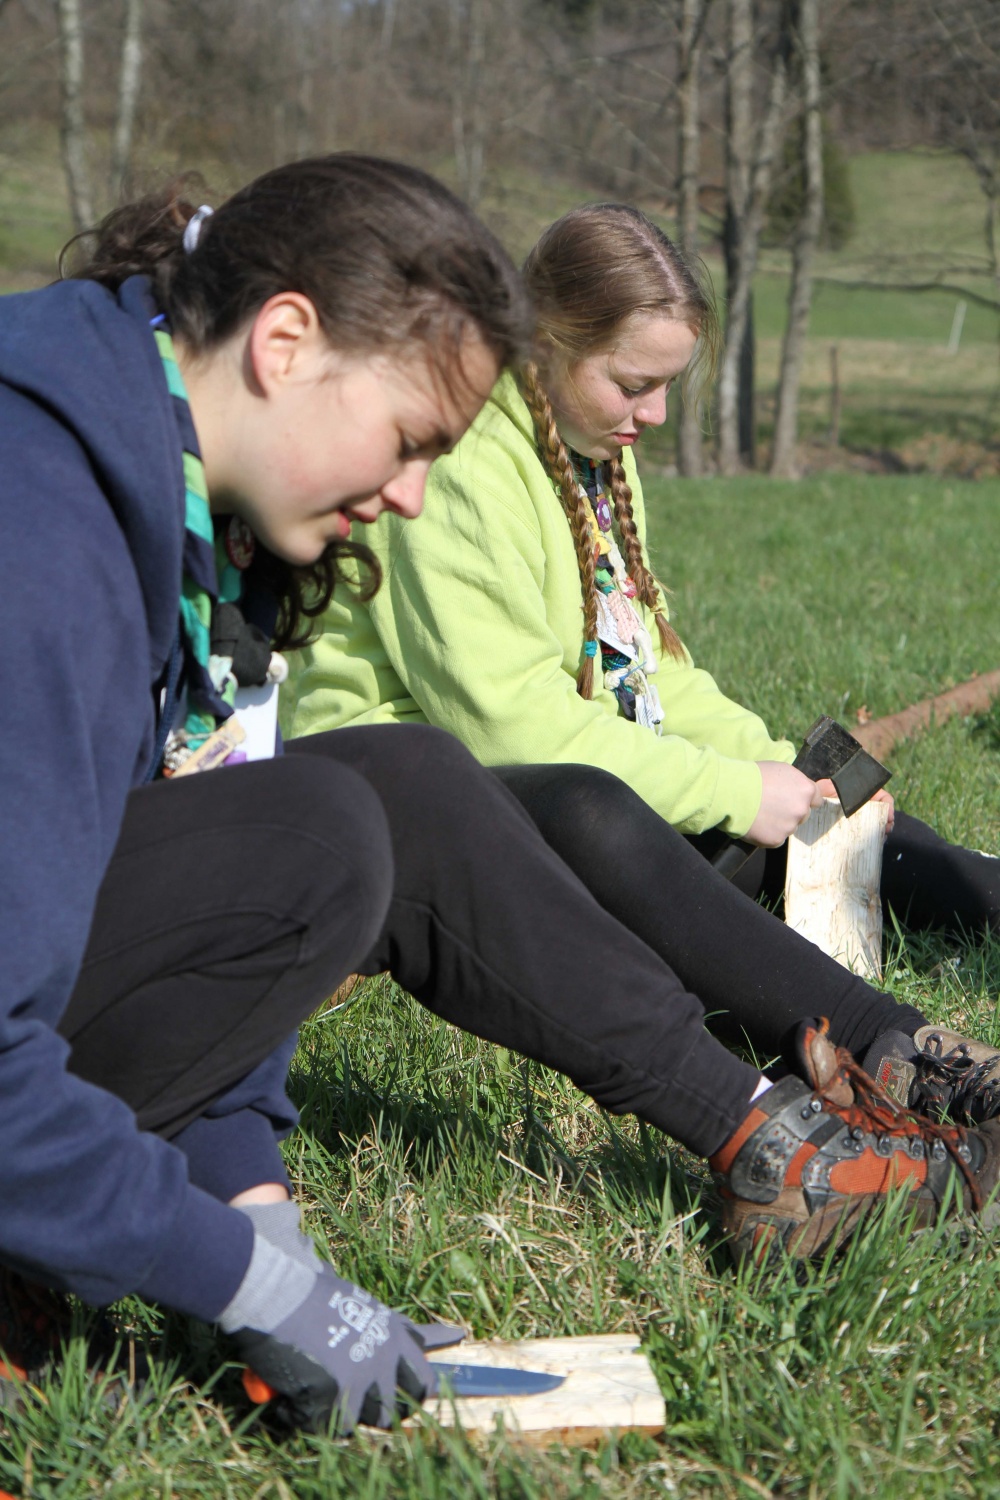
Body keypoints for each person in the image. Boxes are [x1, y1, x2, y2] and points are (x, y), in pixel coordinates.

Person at [3, 166, 998, 1443]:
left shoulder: (204, 511)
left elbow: (212, 919)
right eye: (409, 441)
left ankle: (773, 1148)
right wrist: (245, 1282)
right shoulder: (37, 531)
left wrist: (261, 1220)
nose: (411, 499)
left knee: (397, 788)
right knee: (344, 823)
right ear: (284, 342)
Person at [287, 201, 1000, 1104]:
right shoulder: (461, 462)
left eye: (667, 384)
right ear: (545, 341)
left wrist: (790, 773)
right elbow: (510, 726)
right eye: (633, 384)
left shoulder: (589, 448)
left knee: (807, 812)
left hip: (546, 764)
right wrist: (731, 792)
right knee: (601, 815)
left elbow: (650, 673)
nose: (655, 413)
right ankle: (892, 1052)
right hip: (388, 790)